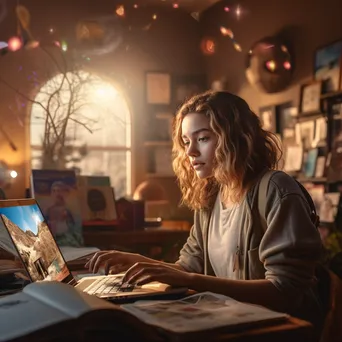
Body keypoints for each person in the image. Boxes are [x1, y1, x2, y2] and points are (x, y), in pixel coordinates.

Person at [86, 91, 324, 333]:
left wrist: (190, 281)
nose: (190, 153)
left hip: (280, 332)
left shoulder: (275, 189)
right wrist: (137, 261)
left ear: (235, 138)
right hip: (231, 322)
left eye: (202, 139)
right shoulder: (211, 196)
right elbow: (190, 267)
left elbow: (285, 291)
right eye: (186, 141)